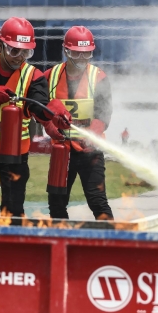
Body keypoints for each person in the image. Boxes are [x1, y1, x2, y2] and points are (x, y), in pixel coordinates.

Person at [0, 17, 72, 218]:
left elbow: (38, 106)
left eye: (26, 52)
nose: (20, 57)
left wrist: (55, 113)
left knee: (13, 212)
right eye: (14, 51)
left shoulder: (33, 76)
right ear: (1, 45)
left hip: (15, 152)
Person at [42, 26, 114, 220]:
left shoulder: (99, 77)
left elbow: (104, 111)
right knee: (56, 202)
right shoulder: (50, 76)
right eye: (77, 53)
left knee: (97, 200)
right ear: (66, 51)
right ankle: (60, 244)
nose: (82, 58)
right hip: (61, 151)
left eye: (87, 54)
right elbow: (42, 109)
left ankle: (109, 242)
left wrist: (92, 134)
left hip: (90, 151)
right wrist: (50, 128)